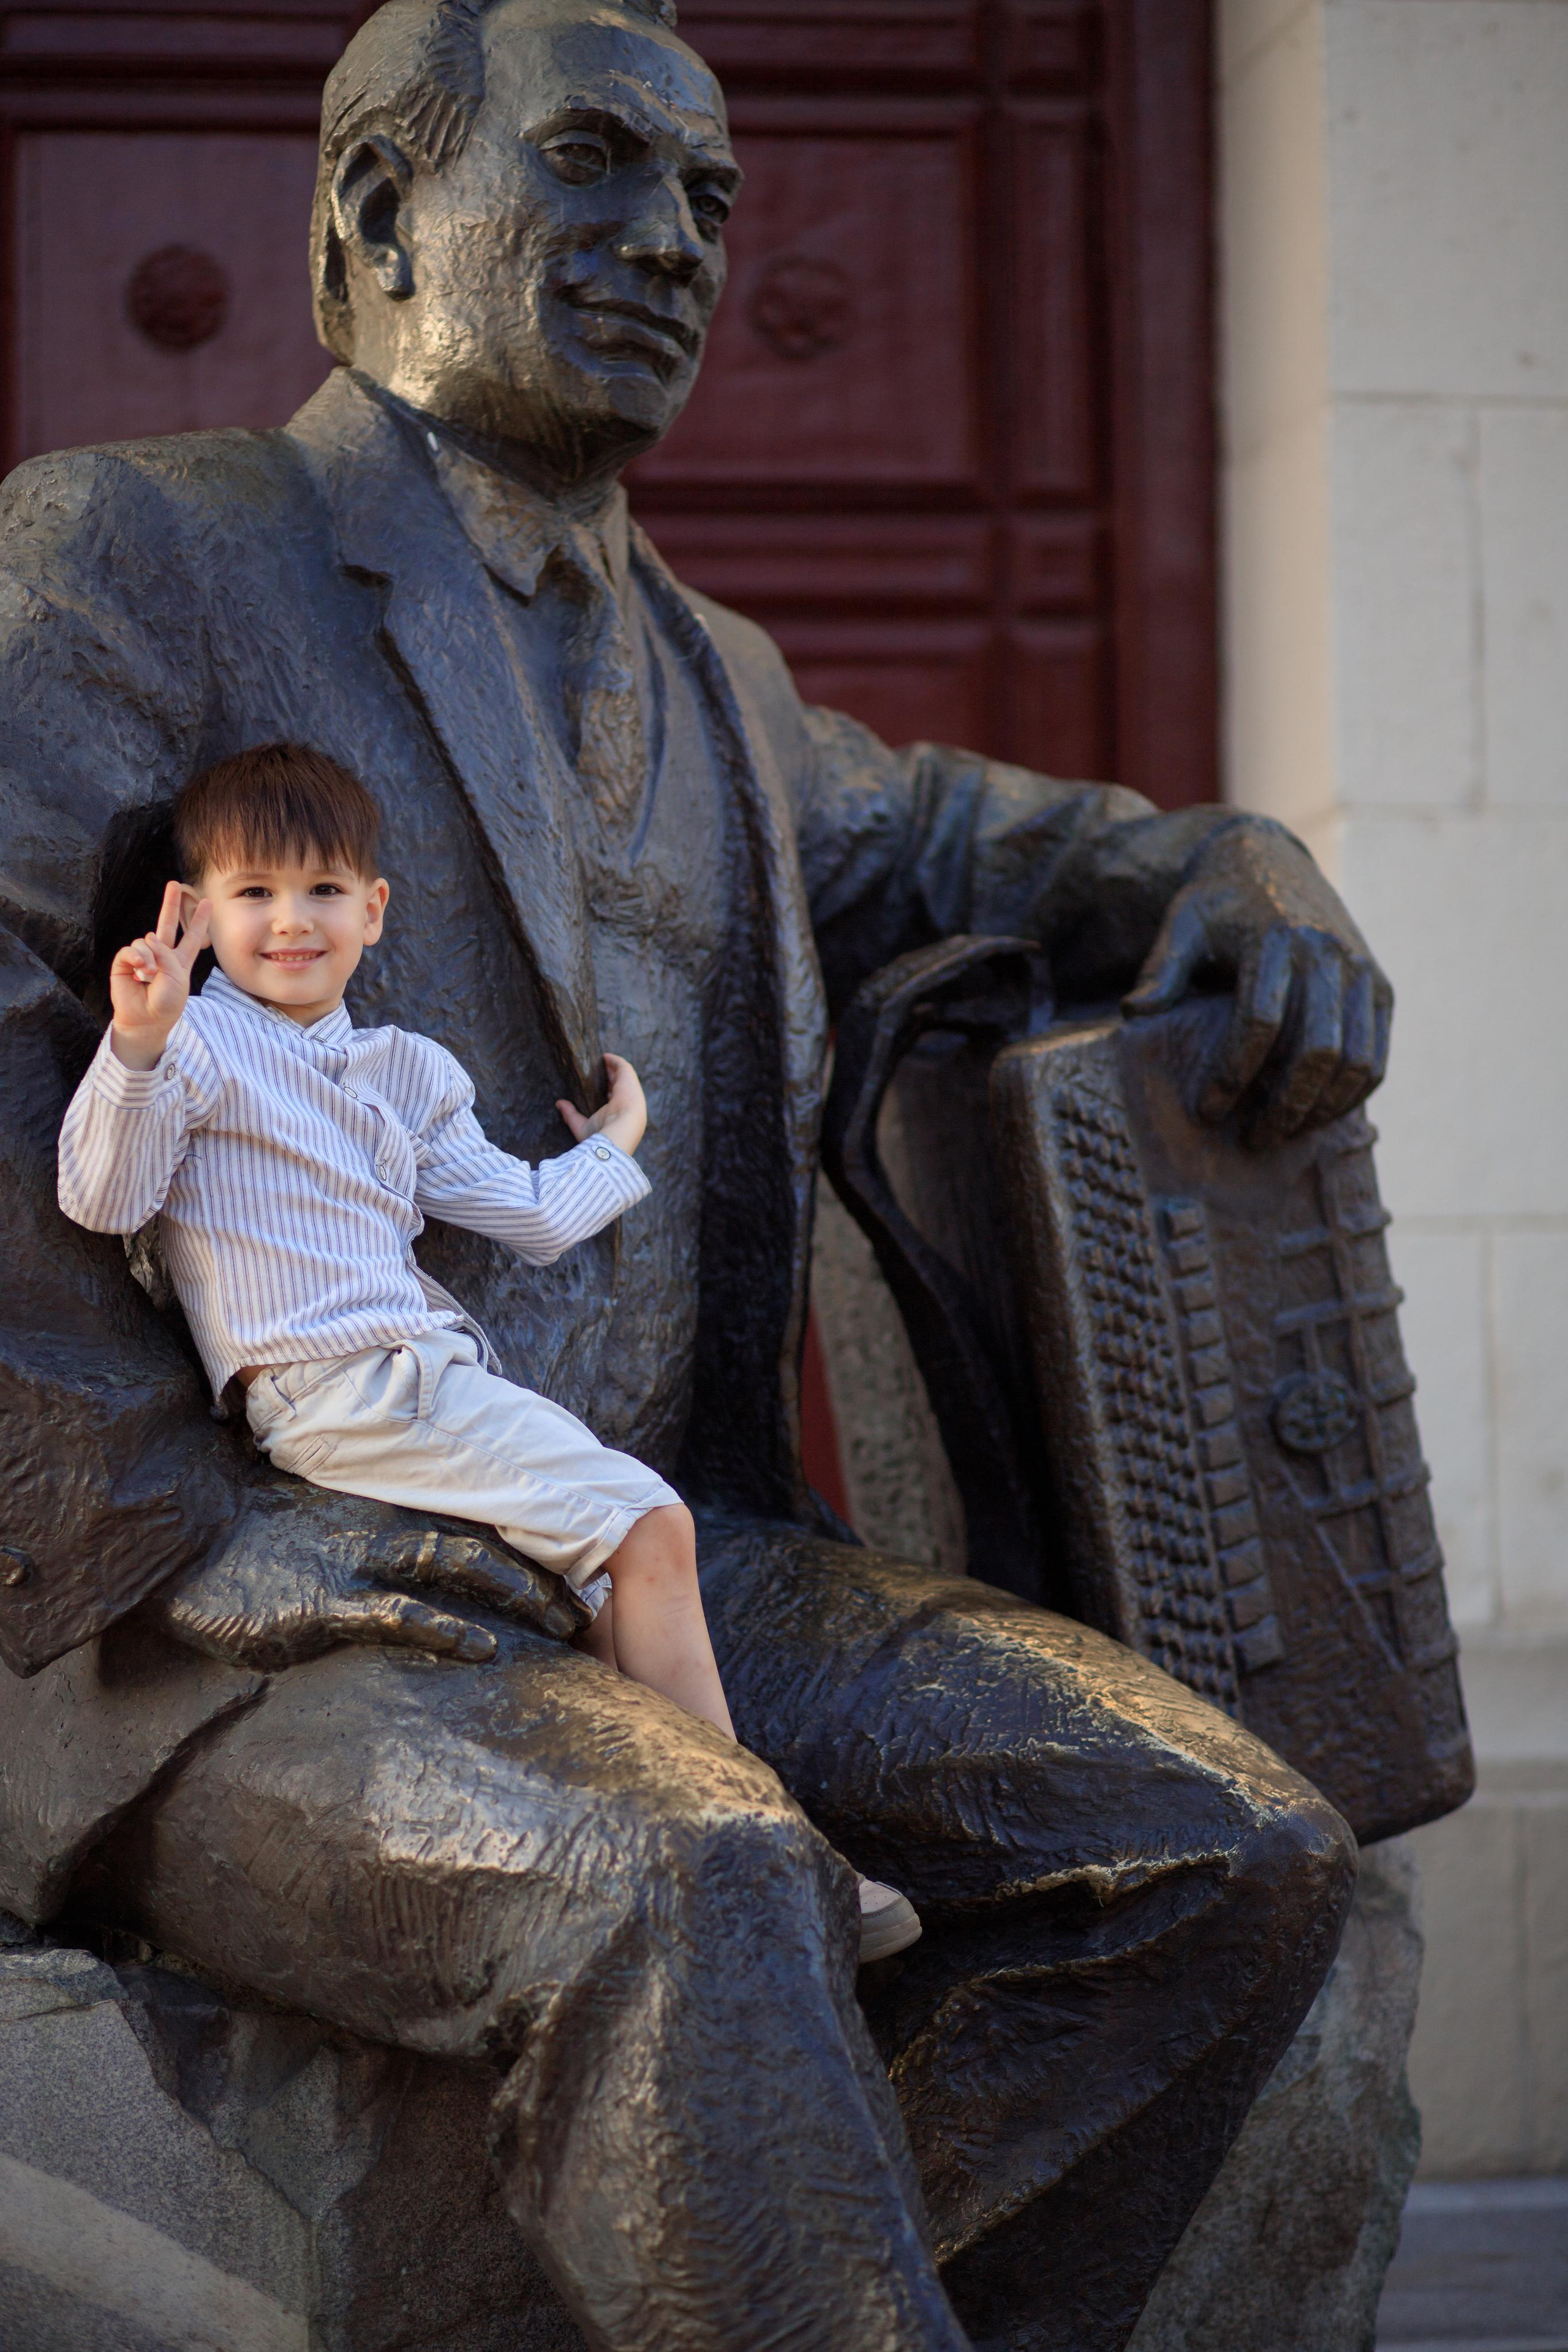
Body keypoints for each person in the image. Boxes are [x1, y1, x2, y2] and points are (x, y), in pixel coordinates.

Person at [0, 2, 1377, 2345]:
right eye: (599, 167)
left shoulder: (721, 679)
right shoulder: (136, 551)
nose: (674, 244)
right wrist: (198, 1541)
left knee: (1225, 1850)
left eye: (714, 202)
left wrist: (1231, 859)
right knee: (697, 1871)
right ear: (374, 212)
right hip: (260, 1592)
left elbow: (960, 838)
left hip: (683, 1550)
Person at [56, 739, 923, 1964]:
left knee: (608, 1593)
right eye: (252, 896)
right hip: (329, 1386)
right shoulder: (197, 1047)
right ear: (197, 915)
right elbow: (104, 1193)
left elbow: (523, 1211)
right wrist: (134, 1045)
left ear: (373, 908)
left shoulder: (406, 1071)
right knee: (649, 1526)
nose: (288, 923)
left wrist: (620, 1136)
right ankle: (790, 1860)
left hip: (433, 1378)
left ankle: (701, 1856)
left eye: (319, 892)